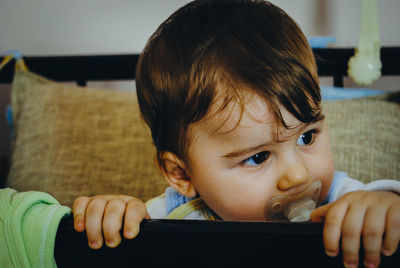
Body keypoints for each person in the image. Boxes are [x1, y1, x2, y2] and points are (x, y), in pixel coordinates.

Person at [72, 1, 400, 267]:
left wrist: (384, 205)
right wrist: (118, 217)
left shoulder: (340, 201)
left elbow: (380, 209)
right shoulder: (169, 219)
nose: (299, 176)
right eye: (257, 157)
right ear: (181, 173)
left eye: (306, 137)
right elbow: (131, 240)